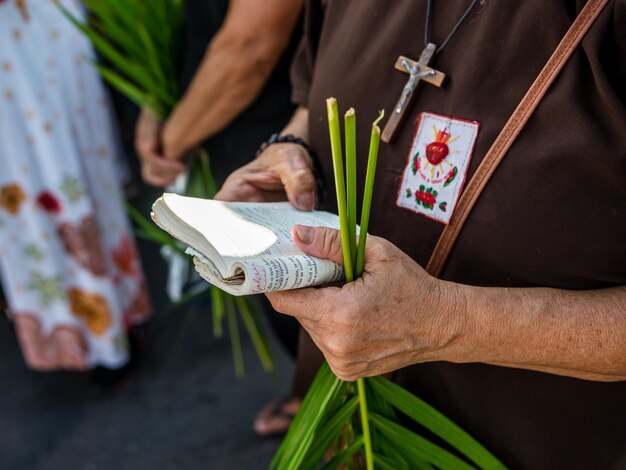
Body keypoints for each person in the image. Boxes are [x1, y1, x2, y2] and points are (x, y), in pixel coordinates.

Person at [216, 0, 626, 467]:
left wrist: (448, 321)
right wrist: (290, 148)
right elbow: (313, 92)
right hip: (353, 428)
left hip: (537, 443)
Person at [133, 0, 304, 436]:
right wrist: (158, 104)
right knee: (272, 284)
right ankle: (318, 393)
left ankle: (338, 404)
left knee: (299, 286)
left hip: (273, 123)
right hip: (227, 124)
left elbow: (251, 45)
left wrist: (170, 142)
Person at [0, 0, 151, 378]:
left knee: (70, 159)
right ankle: (70, 329)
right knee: (19, 183)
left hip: (38, 22)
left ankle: (114, 323)